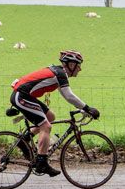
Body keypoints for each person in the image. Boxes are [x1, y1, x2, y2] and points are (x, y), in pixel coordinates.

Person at [9, 49, 100, 177]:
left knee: (50, 116)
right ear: (71, 65)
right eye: (78, 65)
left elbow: (66, 95)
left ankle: (24, 140)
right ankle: (42, 162)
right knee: (46, 126)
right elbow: (69, 96)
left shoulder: (58, 73)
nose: (80, 69)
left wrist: (83, 108)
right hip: (22, 96)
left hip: (23, 95)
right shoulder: (60, 74)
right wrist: (87, 108)